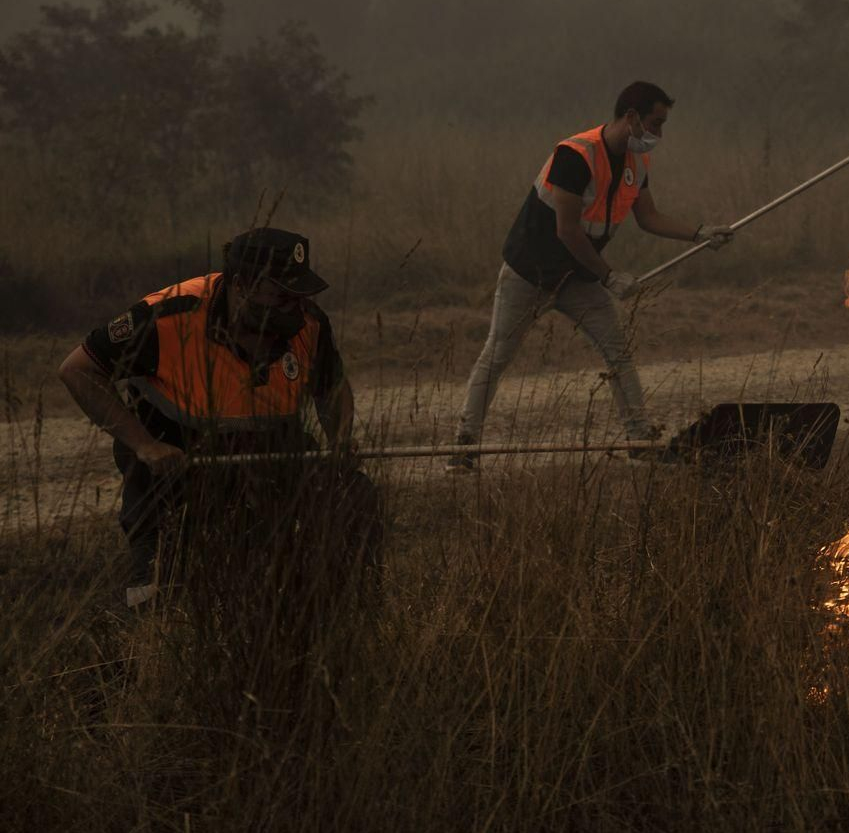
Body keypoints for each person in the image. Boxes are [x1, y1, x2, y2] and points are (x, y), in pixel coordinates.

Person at [57, 228, 380, 608]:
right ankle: (148, 637)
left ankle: (344, 608)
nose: (295, 306)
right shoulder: (167, 314)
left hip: (271, 450)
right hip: (175, 460)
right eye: (281, 295)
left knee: (352, 496)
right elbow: (77, 370)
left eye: (300, 295)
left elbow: (332, 386)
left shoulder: (309, 322)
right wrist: (145, 446)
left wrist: (340, 439)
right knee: (160, 592)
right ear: (242, 284)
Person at [450, 81, 734, 469]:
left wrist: (699, 234)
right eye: (656, 122)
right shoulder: (575, 155)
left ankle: (640, 442)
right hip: (528, 274)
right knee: (497, 356)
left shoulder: (636, 163)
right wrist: (610, 275)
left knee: (618, 354)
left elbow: (648, 217)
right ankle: (464, 448)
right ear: (631, 117)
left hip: (579, 279)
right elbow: (566, 231)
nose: (659, 134)